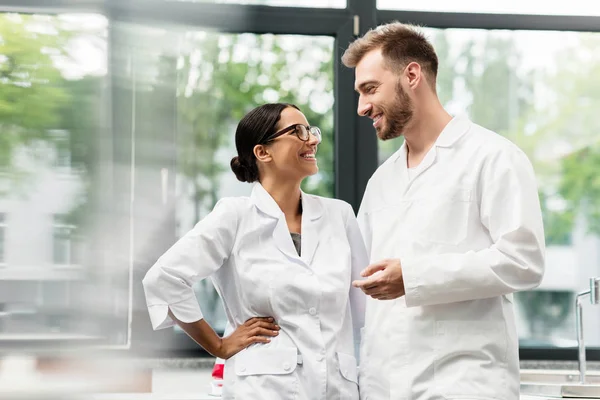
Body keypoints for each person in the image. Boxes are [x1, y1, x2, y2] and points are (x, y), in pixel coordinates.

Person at [341, 22, 545, 400]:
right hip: (382, 386)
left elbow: (524, 261)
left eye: (370, 89)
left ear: (412, 75)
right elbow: (360, 285)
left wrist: (414, 276)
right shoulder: (381, 182)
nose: (361, 107)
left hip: (464, 385)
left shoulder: (493, 157)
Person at [142, 103, 367, 400]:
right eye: (298, 131)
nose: (312, 139)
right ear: (263, 152)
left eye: (311, 131)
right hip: (265, 390)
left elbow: (365, 312)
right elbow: (164, 278)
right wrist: (218, 346)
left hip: (339, 389)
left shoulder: (340, 215)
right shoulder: (235, 215)